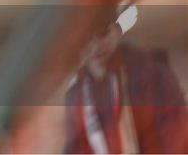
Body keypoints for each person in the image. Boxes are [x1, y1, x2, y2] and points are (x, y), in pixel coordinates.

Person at [64, 16, 187, 153]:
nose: (95, 45)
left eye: (102, 33)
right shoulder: (75, 97)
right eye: (85, 39)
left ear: (116, 30)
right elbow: (77, 148)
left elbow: (177, 133)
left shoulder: (155, 76)